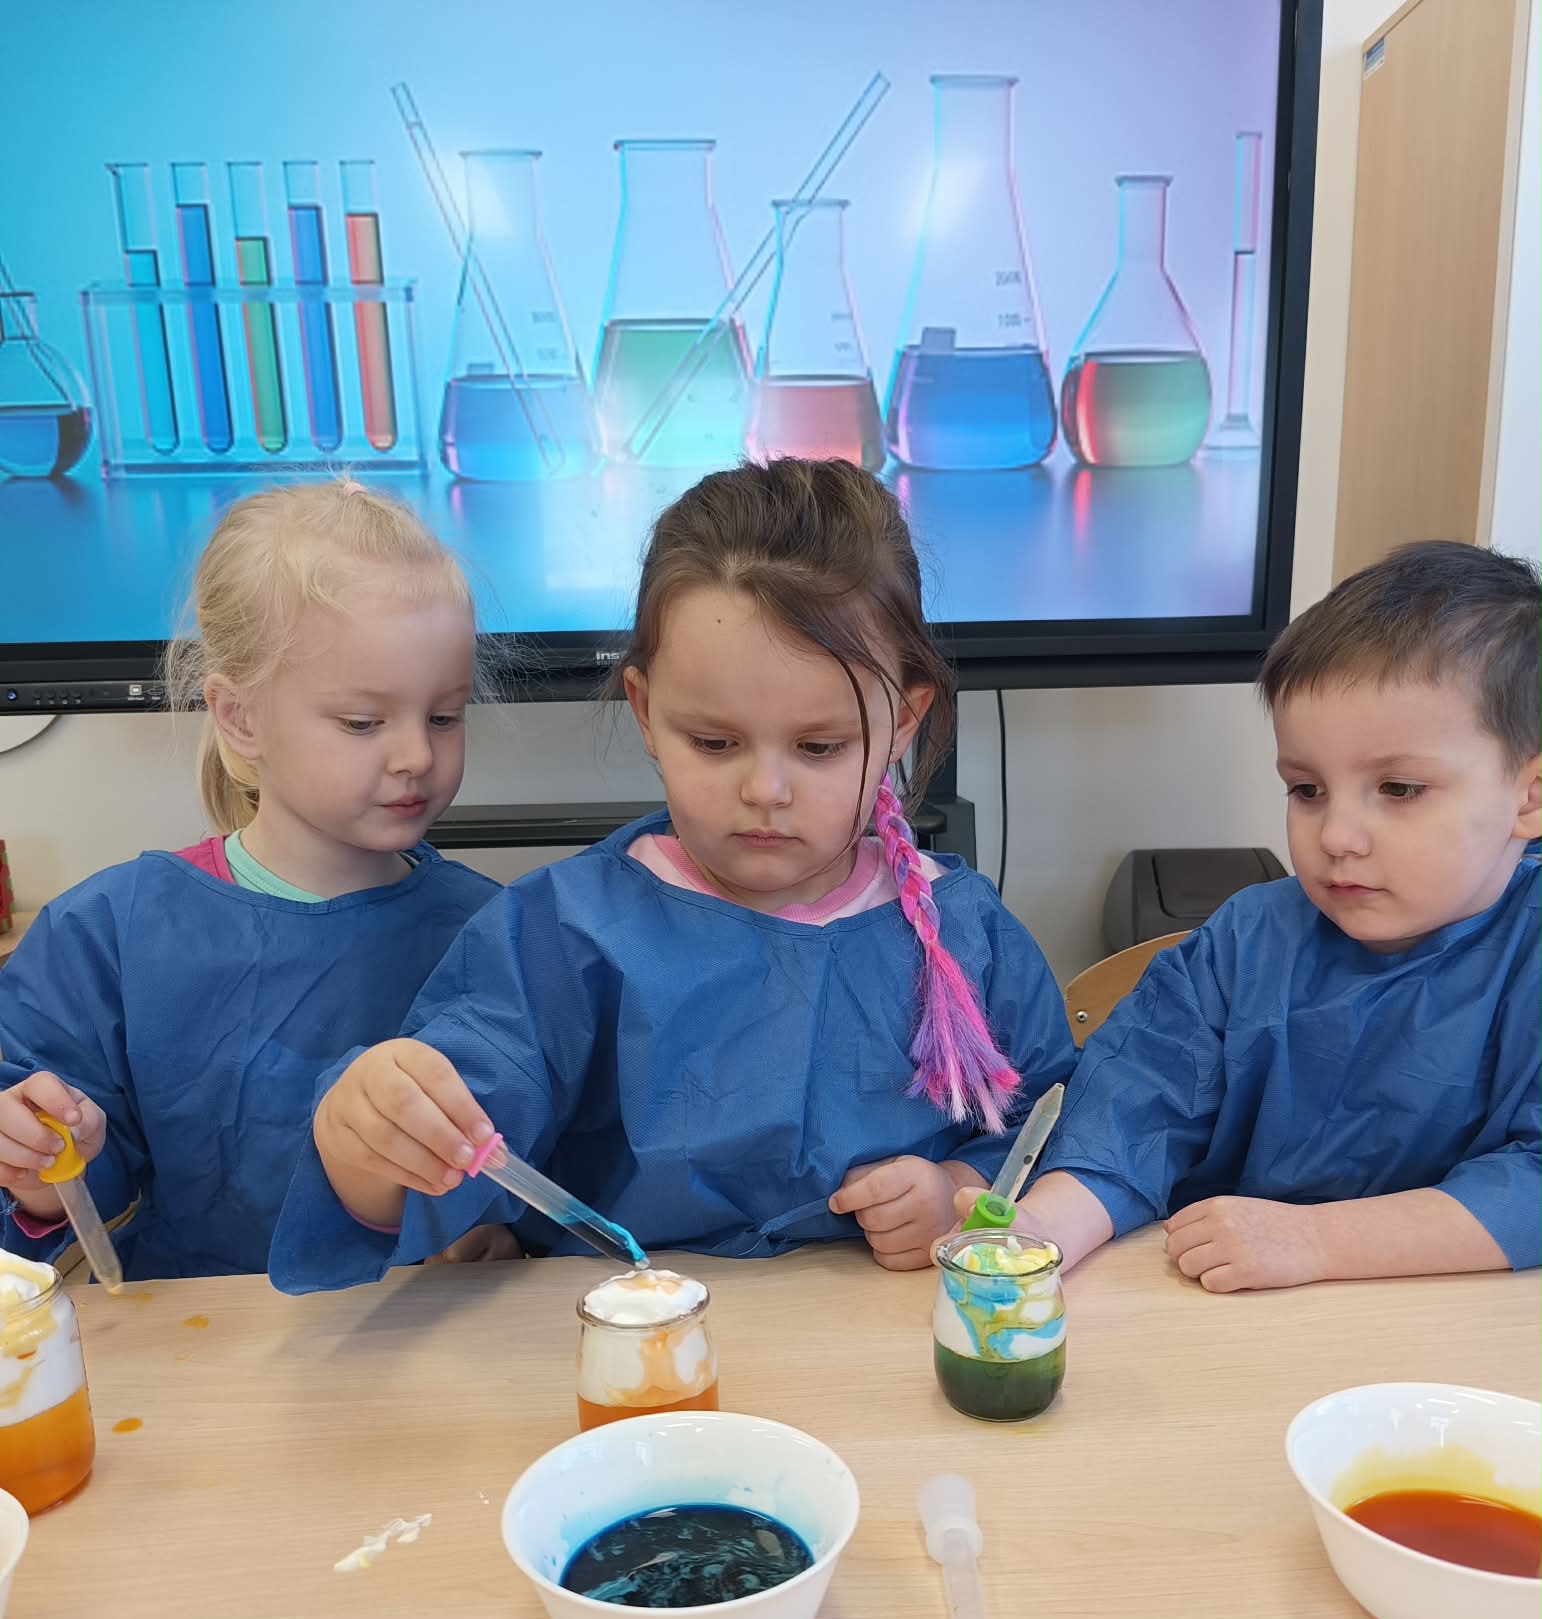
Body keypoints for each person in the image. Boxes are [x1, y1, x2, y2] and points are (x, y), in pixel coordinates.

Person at [268, 458, 1074, 1290]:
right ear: (646, 710)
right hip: (629, 1345)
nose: (765, 790)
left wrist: (958, 1189)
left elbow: (1050, 1128)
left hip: (883, 1348)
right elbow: (449, 1142)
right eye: (715, 743)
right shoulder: (564, 931)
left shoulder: (963, 931)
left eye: (819, 746)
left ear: (902, 721)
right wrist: (373, 1137)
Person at [0, 481, 504, 1280]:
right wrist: (39, 1167)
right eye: (363, 722)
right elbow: (61, 1196)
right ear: (240, 717)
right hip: (199, 1342)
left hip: (418, 1338)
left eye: (444, 715)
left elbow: (533, 1179)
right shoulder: (110, 937)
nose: (417, 755)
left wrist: (501, 1234)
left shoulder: (492, 934)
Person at [1008, 540, 1542, 1291]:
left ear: (1529, 797)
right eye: (1307, 790)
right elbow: (1133, 1110)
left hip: (1454, 1340)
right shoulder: (1245, 941)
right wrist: (1042, 1231)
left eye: (1398, 789)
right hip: (1230, 1320)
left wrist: (1318, 1241)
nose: (1337, 837)